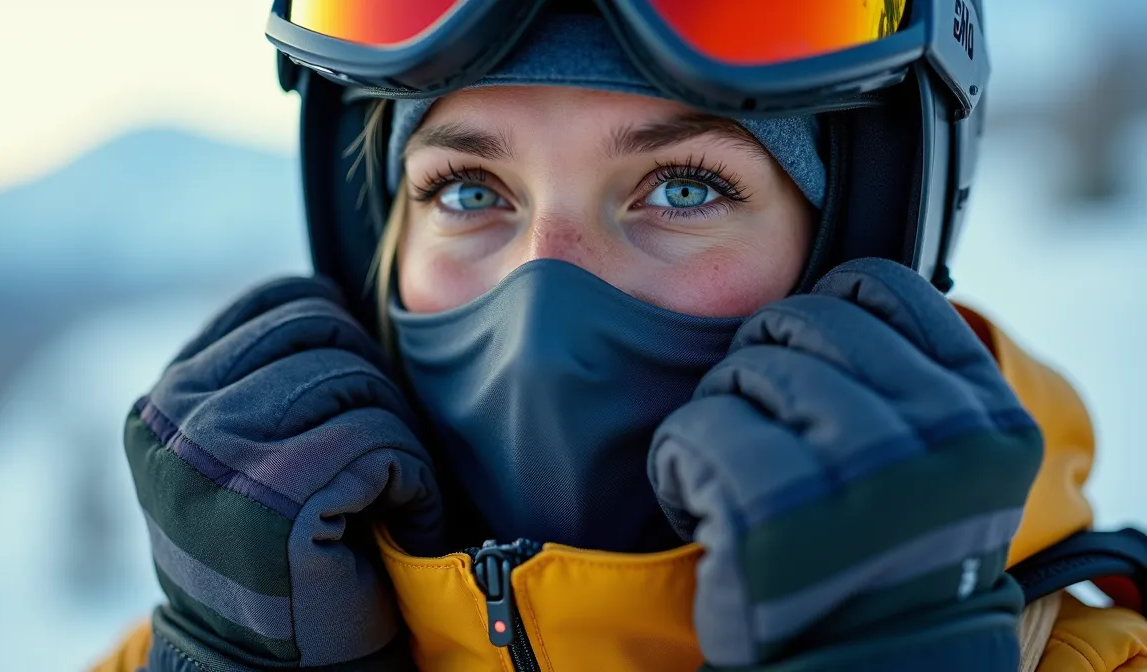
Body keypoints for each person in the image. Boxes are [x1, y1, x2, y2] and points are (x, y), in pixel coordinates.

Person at [95, 2, 1147, 670]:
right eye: (468, 189)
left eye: (682, 187)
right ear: (378, 243)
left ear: (857, 247)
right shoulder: (183, 653)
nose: (545, 294)